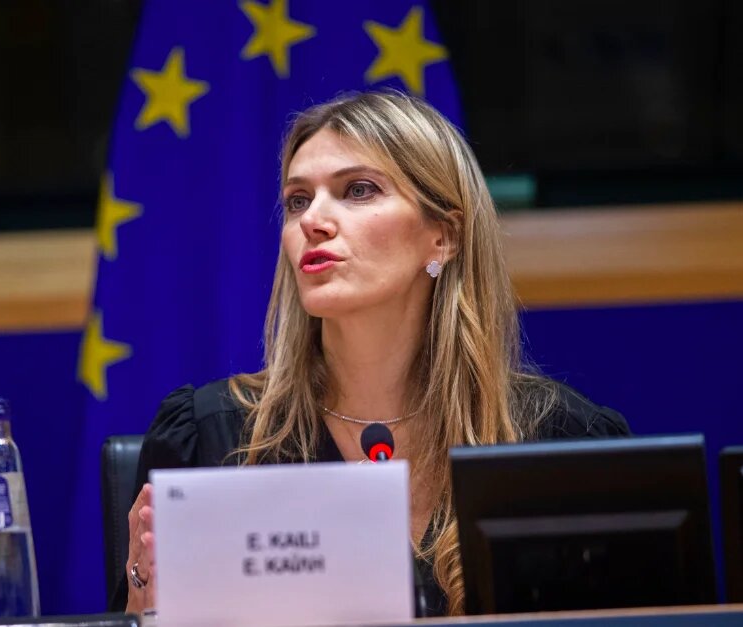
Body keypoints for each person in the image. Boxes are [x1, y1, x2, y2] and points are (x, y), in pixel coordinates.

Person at [111, 90, 629, 616]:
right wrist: (143, 596)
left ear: (443, 237)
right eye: (297, 200)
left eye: (357, 190)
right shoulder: (211, 437)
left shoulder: (558, 443)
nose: (314, 220)